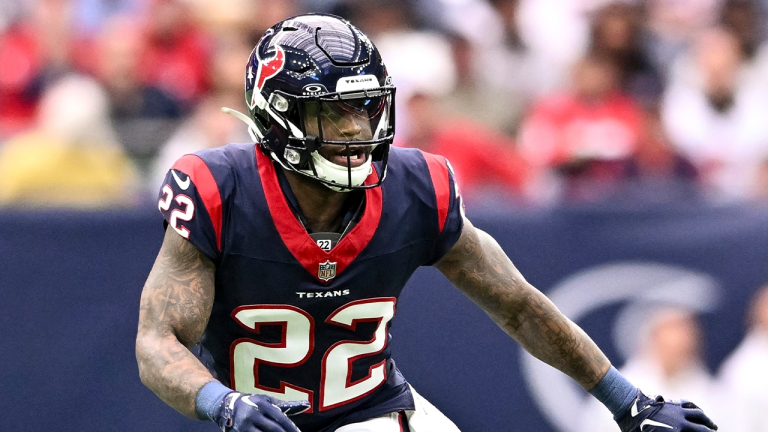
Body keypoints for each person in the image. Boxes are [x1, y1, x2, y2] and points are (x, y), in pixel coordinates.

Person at [135, 14, 719, 432]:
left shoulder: (415, 189)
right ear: (277, 117)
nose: (356, 129)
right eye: (332, 112)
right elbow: (158, 342)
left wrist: (628, 402)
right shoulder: (219, 191)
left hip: (373, 412)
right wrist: (223, 403)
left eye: (364, 107)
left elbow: (517, 302)